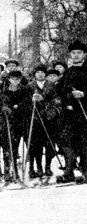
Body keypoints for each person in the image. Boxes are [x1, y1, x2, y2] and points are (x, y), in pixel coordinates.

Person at [57, 40, 87, 183]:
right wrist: (67, 94)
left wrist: (84, 94)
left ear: (84, 54)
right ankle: (69, 172)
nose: (76, 55)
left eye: (79, 53)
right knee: (67, 142)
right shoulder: (68, 71)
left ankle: (85, 171)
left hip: (84, 112)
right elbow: (60, 91)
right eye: (73, 53)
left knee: (85, 142)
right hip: (69, 114)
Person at [27, 64, 58, 178]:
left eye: (42, 72)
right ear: (34, 74)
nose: (40, 74)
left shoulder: (51, 85)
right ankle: (39, 167)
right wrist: (32, 100)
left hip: (49, 118)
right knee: (37, 145)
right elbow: (25, 102)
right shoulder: (30, 86)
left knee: (49, 144)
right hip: (35, 119)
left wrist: (45, 100)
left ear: (46, 74)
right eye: (38, 72)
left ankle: (48, 167)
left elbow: (57, 100)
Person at [4, 71, 30, 168]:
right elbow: (5, 102)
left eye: (17, 79)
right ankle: (13, 161)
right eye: (13, 79)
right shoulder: (6, 90)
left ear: (20, 79)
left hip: (23, 118)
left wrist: (19, 106)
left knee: (27, 139)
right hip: (11, 119)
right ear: (9, 79)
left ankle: (29, 159)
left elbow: (27, 102)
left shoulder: (25, 89)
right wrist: (9, 108)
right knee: (13, 141)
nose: (15, 81)